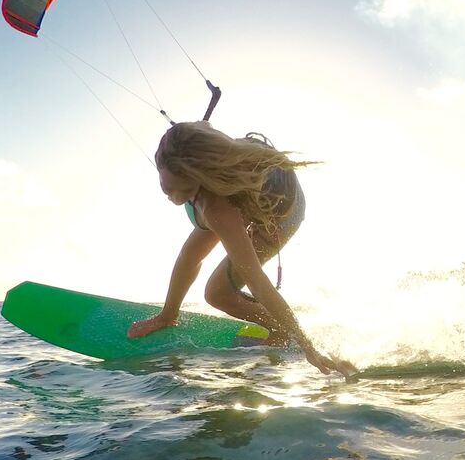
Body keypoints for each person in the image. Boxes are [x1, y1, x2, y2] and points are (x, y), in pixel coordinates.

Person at [127, 121, 355, 377]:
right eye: (164, 186)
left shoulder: (217, 210)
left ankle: (283, 333)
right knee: (191, 253)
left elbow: (256, 280)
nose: (168, 194)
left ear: (198, 179)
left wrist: (308, 347)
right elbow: (188, 258)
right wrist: (167, 316)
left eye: (176, 189)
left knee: (217, 293)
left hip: (282, 210)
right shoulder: (183, 147)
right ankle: (172, 315)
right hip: (245, 184)